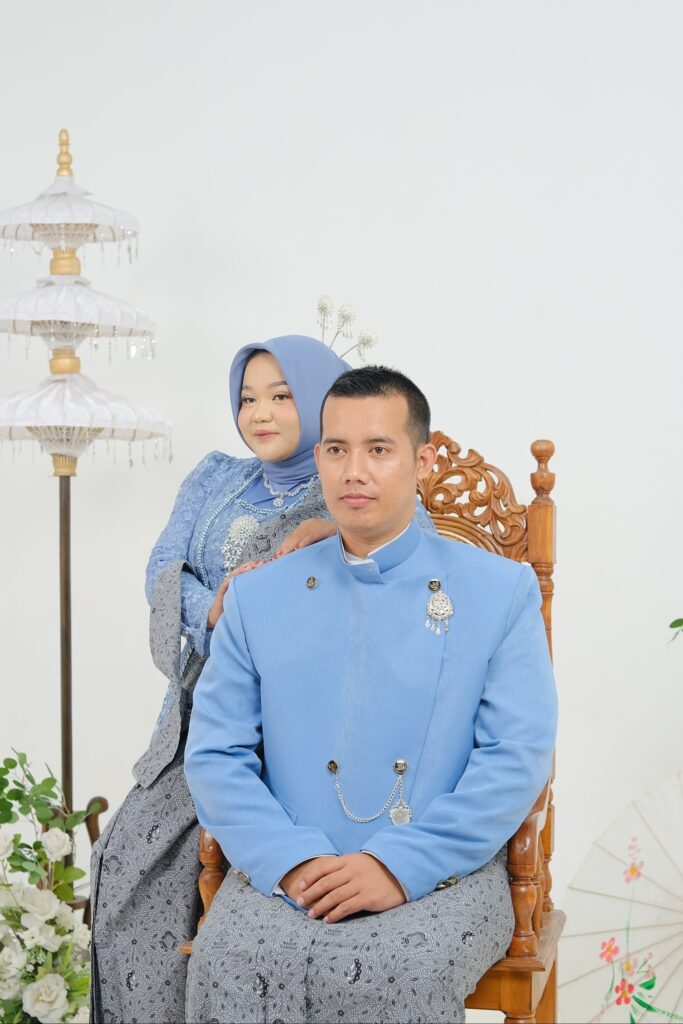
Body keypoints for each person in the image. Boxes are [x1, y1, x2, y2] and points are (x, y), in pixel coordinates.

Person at [184, 365, 558, 1024]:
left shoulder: (500, 590)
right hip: (286, 866)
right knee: (229, 960)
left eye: (378, 449)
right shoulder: (257, 595)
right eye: (336, 449)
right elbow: (215, 754)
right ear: (319, 459)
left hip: (443, 867)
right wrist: (292, 860)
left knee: (396, 972)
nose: (353, 471)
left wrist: (397, 865)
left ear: (422, 461)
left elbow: (517, 756)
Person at [91, 337, 425, 1023]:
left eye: (282, 395)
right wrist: (216, 611)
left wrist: (329, 534)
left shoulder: (349, 488)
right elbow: (163, 568)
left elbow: (403, 553)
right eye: (247, 398)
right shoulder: (215, 477)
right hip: (198, 707)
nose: (260, 413)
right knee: (124, 865)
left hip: (298, 724)